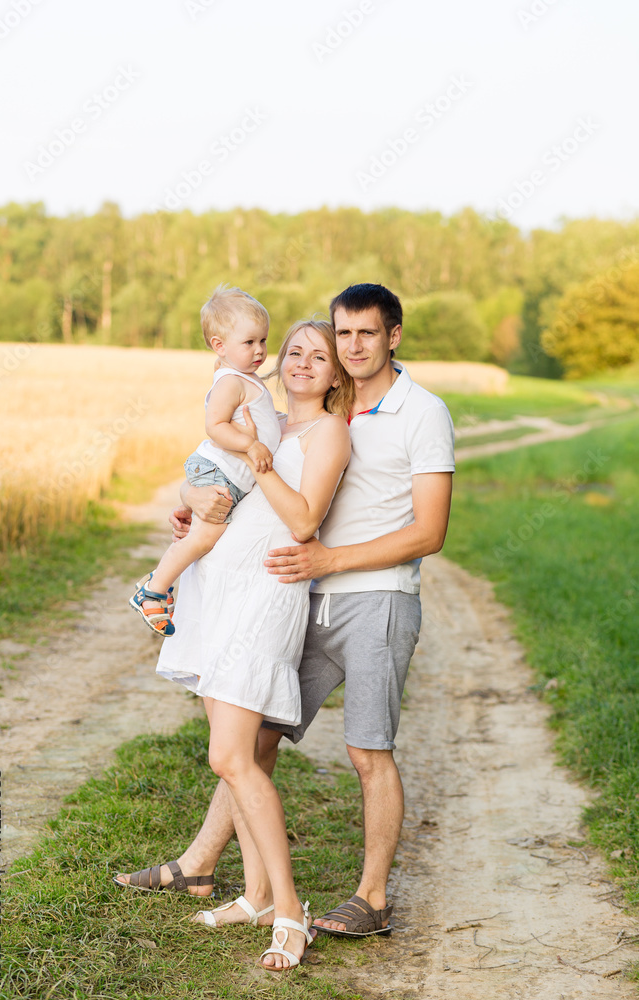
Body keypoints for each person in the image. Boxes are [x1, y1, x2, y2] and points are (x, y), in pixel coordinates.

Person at [145, 283, 456, 939]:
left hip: (374, 598)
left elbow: (429, 532)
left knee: (367, 749)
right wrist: (193, 502)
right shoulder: (298, 417)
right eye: (343, 334)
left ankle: (371, 897)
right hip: (301, 595)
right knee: (254, 739)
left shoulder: (421, 413)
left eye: (365, 333)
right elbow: (229, 476)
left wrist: (329, 560)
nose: (352, 345)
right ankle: (206, 868)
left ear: (393, 336)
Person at [115, 319, 353, 971]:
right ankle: (255, 897)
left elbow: (302, 519)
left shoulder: (327, 432)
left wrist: (259, 459)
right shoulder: (262, 417)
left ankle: (290, 911)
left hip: (264, 597)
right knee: (235, 759)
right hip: (214, 590)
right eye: (294, 351)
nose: (301, 363)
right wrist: (192, 498)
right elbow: (204, 472)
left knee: (231, 757)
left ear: (335, 373)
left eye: (319, 356)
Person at [129, 284, 281, 637]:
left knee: (205, 535)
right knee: (205, 537)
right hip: (218, 470)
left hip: (227, 473)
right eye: (249, 342)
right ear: (219, 345)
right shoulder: (231, 382)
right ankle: (153, 590)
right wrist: (251, 445)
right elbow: (215, 426)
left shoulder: (241, 376)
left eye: (263, 340)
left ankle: (160, 583)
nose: (259, 350)